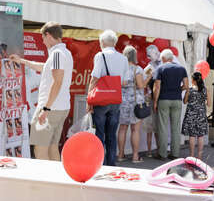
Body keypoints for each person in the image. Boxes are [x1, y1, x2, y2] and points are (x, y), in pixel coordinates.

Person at [10, 21, 73, 161]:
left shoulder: (57, 54)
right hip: (60, 107)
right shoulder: (64, 53)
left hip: (51, 108)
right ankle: (56, 180)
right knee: (52, 147)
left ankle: (43, 180)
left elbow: (57, 81)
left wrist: (46, 108)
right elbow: (45, 68)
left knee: (40, 148)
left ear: (48, 35)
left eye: (43, 38)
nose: (43, 42)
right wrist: (22, 61)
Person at [87, 30, 129, 166]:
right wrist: (113, 81)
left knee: (99, 133)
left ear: (102, 42)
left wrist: (89, 98)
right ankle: (111, 164)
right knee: (111, 134)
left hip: (101, 99)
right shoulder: (123, 58)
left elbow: (94, 78)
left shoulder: (100, 55)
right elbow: (125, 82)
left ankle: (99, 162)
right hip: (115, 99)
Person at [153, 49, 188, 160]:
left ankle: (162, 154)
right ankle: (175, 153)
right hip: (177, 99)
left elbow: (157, 87)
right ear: (172, 58)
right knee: (176, 127)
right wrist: (178, 89)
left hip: (163, 99)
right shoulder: (181, 68)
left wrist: (155, 101)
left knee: (163, 127)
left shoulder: (160, 68)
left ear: (163, 59)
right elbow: (186, 85)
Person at [117, 45, 145, 163]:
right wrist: (147, 79)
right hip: (135, 103)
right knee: (135, 130)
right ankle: (135, 156)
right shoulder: (137, 69)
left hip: (122, 101)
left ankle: (121, 155)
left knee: (122, 128)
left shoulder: (119, 68)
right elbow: (140, 85)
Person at [181, 71, 210, 159]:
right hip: (201, 115)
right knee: (200, 136)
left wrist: (187, 94)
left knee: (192, 136)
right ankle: (200, 156)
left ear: (193, 80)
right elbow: (209, 104)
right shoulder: (205, 89)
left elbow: (185, 101)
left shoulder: (190, 89)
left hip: (191, 115)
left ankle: (192, 155)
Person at [142, 45, 162, 157]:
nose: (149, 56)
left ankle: (159, 149)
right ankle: (150, 151)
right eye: (148, 54)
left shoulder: (162, 65)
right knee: (151, 126)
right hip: (151, 98)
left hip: (159, 98)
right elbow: (144, 81)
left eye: (150, 54)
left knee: (158, 127)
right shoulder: (150, 66)